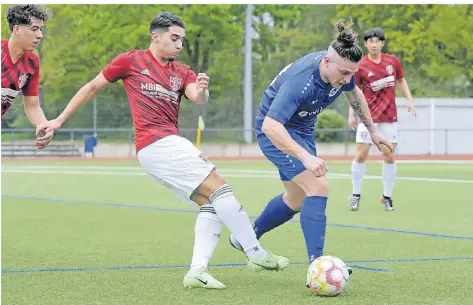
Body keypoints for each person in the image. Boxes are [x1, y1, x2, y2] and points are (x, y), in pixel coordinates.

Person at [35, 11, 289, 290]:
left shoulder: (182, 72)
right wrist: (58, 120)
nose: (179, 44)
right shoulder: (130, 61)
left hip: (160, 148)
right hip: (157, 143)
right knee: (219, 187)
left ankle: (197, 271)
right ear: (156, 37)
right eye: (174, 38)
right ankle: (256, 253)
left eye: (182, 39)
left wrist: (203, 89)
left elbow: (196, 98)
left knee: (209, 203)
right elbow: (92, 87)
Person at [228, 20, 394, 284]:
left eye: (352, 73)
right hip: (275, 131)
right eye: (343, 73)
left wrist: (373, 131)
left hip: (301, 131)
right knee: (318, 186)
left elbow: (355, 95)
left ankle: (245, 237)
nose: (347, 79)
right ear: (327, 61)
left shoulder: (342, 71)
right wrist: (305, 156)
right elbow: (271, 125)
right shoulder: (302, 80)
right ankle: (317, 265)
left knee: (296, 199)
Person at [348, 27, 416, 212]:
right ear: (366, 44)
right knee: (361, 155)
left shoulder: (392, 61)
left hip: (388, 118)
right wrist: (352, 114)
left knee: (390, 155)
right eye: (370, 41)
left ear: (382, 43)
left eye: (377, 41)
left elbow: (401, 80)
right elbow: (353, 92)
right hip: (368, 119)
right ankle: (355, 194)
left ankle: (386, 196)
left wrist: (409, 99)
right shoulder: (360, 66)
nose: (374, 44)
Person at [2, 4, 53, 149]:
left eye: (41, 29)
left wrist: (43, 126)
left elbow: (32, 106)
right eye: (34, 29)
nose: (40, 35)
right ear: (17, 29)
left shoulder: (32, 63)